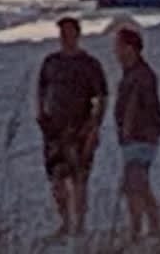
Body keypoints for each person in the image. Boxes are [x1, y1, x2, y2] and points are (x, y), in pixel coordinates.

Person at [36, 17, 107, 240]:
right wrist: (41, 114)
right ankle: (65, 222)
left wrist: (94, 125)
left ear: (77, 34)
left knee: (79, 177)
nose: (65, 37)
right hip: (54, 129)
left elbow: (101, 97)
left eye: (69, 32)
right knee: (56, 177)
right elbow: (41, 90)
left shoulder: (89, 64)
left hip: (79, 128)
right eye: (62, 33)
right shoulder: (51, 62)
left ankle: (80, 224)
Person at [112, 27, 160, 240]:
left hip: (140, 136)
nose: (115, 51)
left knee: (134, 184)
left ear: (130, 48)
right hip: (137, 136)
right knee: (139, 184)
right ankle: (153, 225)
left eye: (118, 46)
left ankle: (138, 229)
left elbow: (138, 105)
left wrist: (128, 127)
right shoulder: (133, 73)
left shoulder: (140, 75)